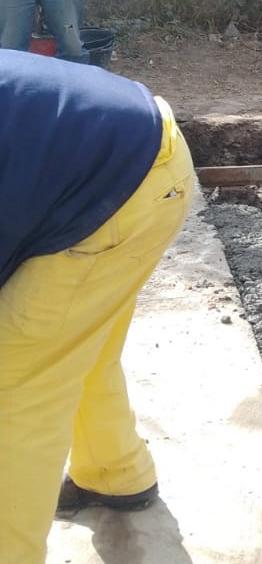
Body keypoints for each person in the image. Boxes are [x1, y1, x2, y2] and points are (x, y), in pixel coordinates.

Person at [0, 50, 195, 564]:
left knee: (17, 385)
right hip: (147, 153)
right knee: (80, 342)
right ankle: (115, 473)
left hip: (114, 187)